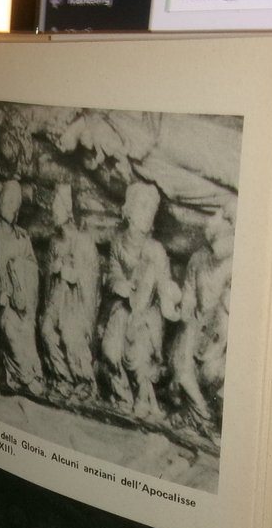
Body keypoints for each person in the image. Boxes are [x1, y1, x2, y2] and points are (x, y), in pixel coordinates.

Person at [100, 181, 179, 418]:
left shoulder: (156, 250)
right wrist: (120, 284)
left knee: (138, 352)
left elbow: (164, 284)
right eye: (143, 207)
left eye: (151, 210)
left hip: (148, 312)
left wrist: (170, 297)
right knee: (110, 351)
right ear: (130, 210)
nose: (147, 214)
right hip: (123, 307)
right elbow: (113, 273)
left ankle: (143, 398)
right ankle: (122, 394)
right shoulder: (118, 243)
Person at [171, 200, 234, 428]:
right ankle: (199, 410)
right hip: (196, 327)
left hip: (219, 338)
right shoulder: (198, 258)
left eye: (223, 217)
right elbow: (189, 291)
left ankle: (204, 412)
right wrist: (185, 311)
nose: (214, 221)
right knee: (180, 367)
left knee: (215, 374)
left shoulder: (235, 265)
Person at [41, 183, 101, 400]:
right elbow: (48, 277)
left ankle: (84, 381)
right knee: (46, 330)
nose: (52, 210)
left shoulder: (84, 242)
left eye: (56, 205)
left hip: (78, 304)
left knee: (70, 334)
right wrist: (54, 268)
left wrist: (70, 273)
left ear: (68, 209)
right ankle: (63, 377)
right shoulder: (55, 243)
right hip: (57, 298)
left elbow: (91, 278)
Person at [0, 179, 43, 396]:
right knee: (10, 330)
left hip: (23, 300)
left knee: (27, 331)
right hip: (5, 301)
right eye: (10, 202)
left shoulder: (22, 237)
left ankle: (33, 374)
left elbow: (33, 265)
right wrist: (0, 292)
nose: (13, 208)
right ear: (1, 202)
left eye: (16, 204)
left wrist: (20, 268)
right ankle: (24, 377)